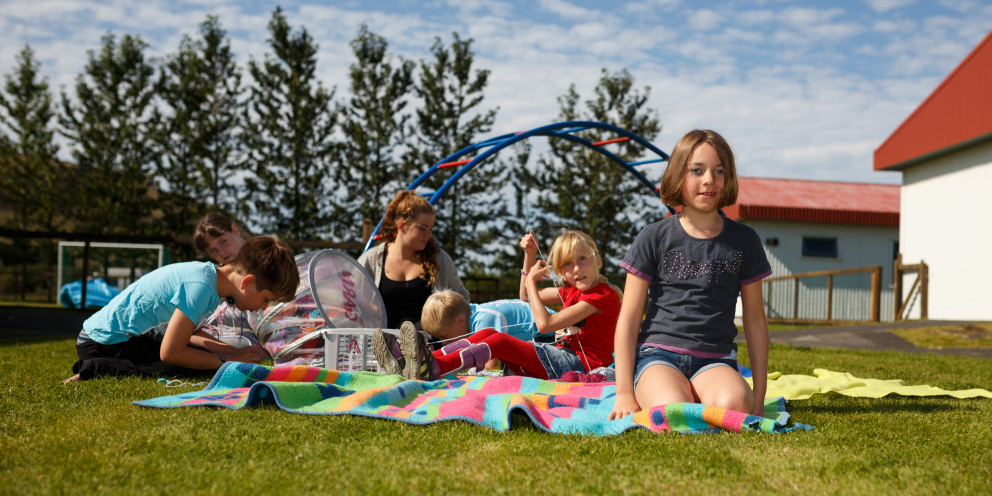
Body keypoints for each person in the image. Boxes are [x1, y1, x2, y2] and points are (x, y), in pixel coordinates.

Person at [608, 129, 771, 420]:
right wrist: (623, 392)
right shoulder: (653, 237)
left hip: (716, 361)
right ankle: (673, 390)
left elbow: (756, 320)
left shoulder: (745, 241)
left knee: (735, 407)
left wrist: (758, 399)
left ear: (728, 178)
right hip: (658, 357)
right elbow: (629, 318)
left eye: (719, 171)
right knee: (672, 411)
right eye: (697, 170)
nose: (709, 179)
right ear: (677, 176)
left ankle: (703, 391)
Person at [372, 229, 621, 381]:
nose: (576, 269)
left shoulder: (602, 295)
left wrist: (533, 282)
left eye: (582, 259)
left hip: (579, 364)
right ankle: (419, 360)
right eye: (567, 264)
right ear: (560, 272)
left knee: (499, 342)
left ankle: (433, 368)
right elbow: (525, 295)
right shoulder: (571, 289)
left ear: (598, 260)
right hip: (563, 358)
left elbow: (545, 325)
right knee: (488, 334)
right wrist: (530, 256)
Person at [64, 236, 300, 382]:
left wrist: (230, 352)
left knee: (197, 356)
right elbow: (171, 352)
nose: (264, 307)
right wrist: (229, 360)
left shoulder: (208, 279)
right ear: (247, 282)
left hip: (114, 338)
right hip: (101, 345)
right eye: (267, 299)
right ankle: (95, 369)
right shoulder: (200, 288)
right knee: (181, 364)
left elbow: (189, 336)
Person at [357, 190, 469, 329]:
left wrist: (443, 316)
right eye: (423, 228)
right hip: (381, 345)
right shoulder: (371, 260)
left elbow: (463, 300)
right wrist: (365, 307)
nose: (428, 234)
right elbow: (350, 301)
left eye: (431, 228)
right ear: (402, 226)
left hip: (429, 345)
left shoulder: (440, 260)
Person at [192, 213, 262, 350]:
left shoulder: (267, 262)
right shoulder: (214, 277)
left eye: (223, 241)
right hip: (212, 334)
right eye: (213, 250)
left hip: (246, 338)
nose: (222, 252)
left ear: (235, 231)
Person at [420, 289, 546, 343]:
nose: (443, 343)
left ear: (460, 322)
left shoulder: (483, 321)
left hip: (550, 335)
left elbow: (491, 362)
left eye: (444, 337)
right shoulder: (471, 312)